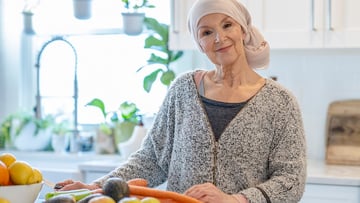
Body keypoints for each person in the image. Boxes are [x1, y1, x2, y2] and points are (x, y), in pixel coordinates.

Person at [56, 0, 307, 202]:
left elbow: (290, 179)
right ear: (200, 43)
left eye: (227, 25)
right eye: (207, 32)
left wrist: (235, 200)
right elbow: (152, 159)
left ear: (243, 29)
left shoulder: (280, 102)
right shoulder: (183, 90)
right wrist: (97, 187)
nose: (219, 38)